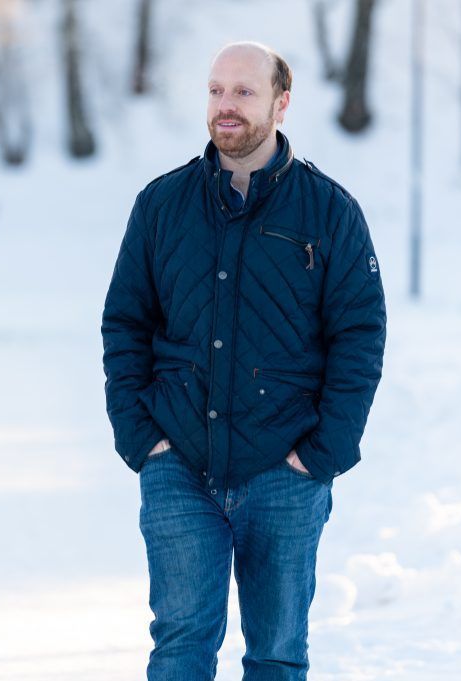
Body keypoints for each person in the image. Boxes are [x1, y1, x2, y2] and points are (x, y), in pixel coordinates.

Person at [101, 42, 386, 680]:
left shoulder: (330, 212)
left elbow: (360, 337)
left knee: (277, 656)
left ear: (282, 103)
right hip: (178, 464)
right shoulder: (161, 206)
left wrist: (321, 453)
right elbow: (124, 324)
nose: (225, 106)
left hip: (285, 470)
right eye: (215, 91)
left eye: (243, 92)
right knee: (179, 650)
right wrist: (142, 438)